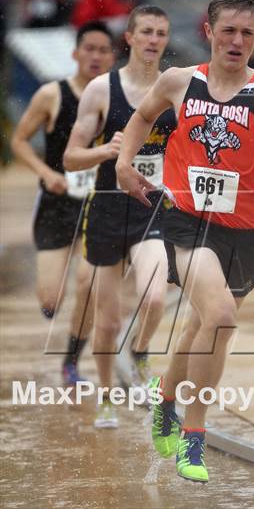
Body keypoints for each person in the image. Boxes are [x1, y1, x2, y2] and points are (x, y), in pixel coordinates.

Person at [116, 0, 254, 482]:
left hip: (247, 233)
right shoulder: (180, 81)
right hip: (188, 221)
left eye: (247, 32)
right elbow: (143, 117)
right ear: (208, 32)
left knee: (200, 327)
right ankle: (194, 436)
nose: (237, 40)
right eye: (228, 30)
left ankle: (165, 398)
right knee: (221, 319)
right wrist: (124, 163)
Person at [64, 5, 176, 429]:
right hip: (108, 207)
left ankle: (142, 350)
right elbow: (71, 157)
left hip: (152, 207)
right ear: (128, 38)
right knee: (107, 323)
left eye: (160, 33)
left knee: (154, 297)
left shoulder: (177, 88)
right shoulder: (100, 90)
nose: (153, 40)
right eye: (145, 31)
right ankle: (108, 396)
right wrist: (105, 151)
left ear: (166, 40)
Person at [11, 21, 115, 384]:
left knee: (88, 283)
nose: (96, 56)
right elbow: (20, 141)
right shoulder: (51, 95)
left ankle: (71, 361)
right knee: (51, 301)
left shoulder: (119, 95)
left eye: (104, 50)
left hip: (98, 203)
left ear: (113, 56)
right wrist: (45, 173)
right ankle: (56, 307)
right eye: (90, 49)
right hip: (57, 201)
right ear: (75, 53)